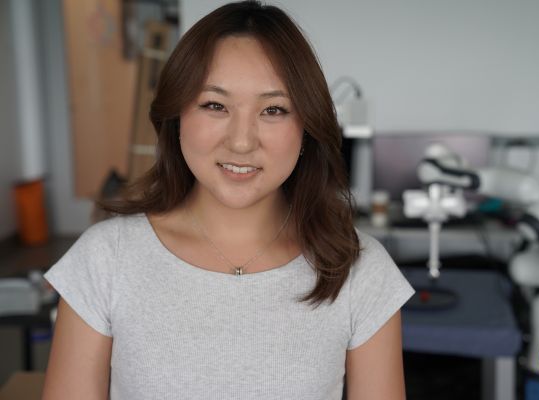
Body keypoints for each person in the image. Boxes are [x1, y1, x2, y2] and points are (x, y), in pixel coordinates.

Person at [42, 1, 415, 399]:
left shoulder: (360, 270)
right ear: (177, 117)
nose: (241, 141)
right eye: (214, 105)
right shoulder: (105, 259)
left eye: (273, 109)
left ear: (306, 127)